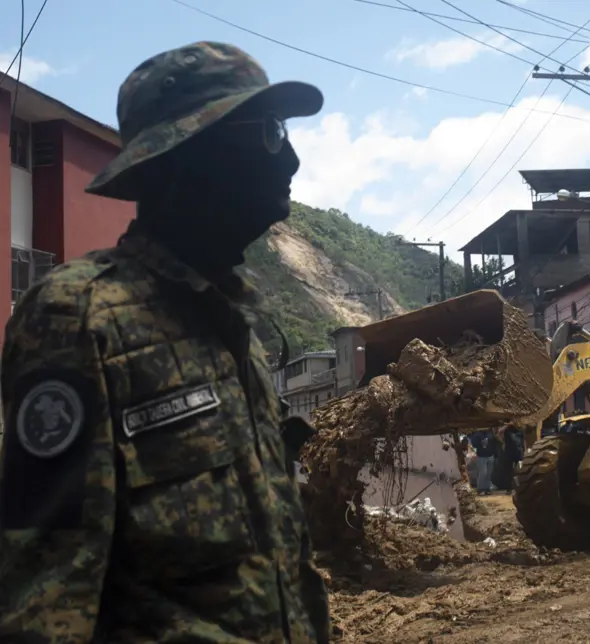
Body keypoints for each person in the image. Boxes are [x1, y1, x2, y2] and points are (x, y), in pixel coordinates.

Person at [0, 42, 330, 643]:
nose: (291, 161)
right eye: (270, 133)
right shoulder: (81, 318)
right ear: (188, 153)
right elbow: (43, 603)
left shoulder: (233, 327)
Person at [470, 429, 498, 495]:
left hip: (490, 456)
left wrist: (494, 453)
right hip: (481, 456)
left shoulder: (490, 433)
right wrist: (480, 443)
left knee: (489, 473)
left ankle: (487, 489)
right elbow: (474, 444)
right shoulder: (477, 434)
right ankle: (480, 489)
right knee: (483, 473)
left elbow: (494, 443)